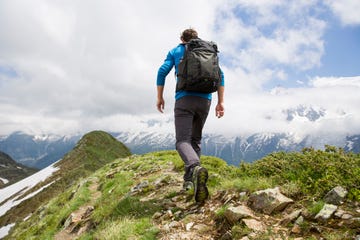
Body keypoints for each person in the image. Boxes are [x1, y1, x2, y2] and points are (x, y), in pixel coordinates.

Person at [156, 28, 225, 203]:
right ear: (196, 38)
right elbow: (221, 76)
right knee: (196, 140)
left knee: (182, 141)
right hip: (205, 101)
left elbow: (162, 71)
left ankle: (195, 168)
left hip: (184, 99)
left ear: (181, 38)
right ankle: (190, 182)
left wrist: (160, 97)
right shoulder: (208, 51)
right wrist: (220, 102)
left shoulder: (176, 50)